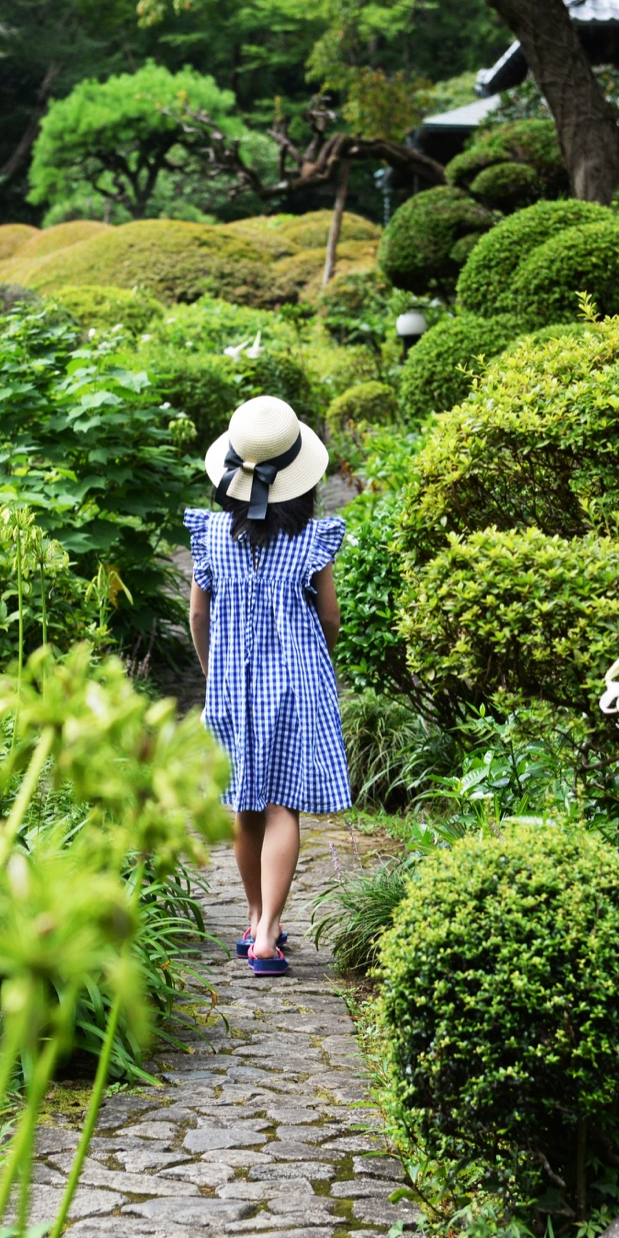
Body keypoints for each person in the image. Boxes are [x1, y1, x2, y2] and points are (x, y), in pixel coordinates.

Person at [186, 395, 352, 977]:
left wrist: (213, 672)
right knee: (284, 806)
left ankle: (257, 919)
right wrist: (317, 666)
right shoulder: (314, 538)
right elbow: (329, 618)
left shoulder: (208, 535)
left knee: (244, 806)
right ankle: (268, 938)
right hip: (297, 685)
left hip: (231, 682)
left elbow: (198, 618)